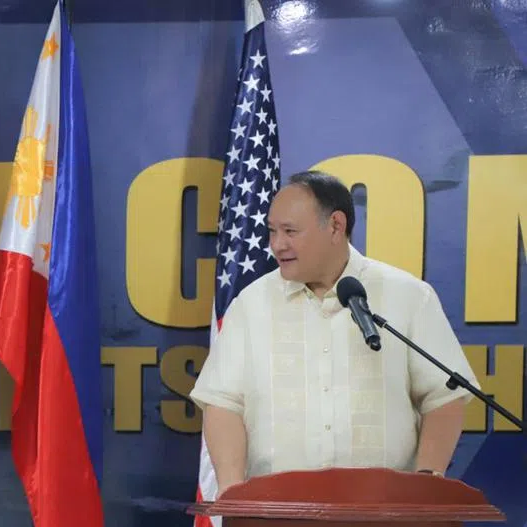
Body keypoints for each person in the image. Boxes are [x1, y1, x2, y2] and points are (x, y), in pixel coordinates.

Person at [190, 170, 477, 492]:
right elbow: (223, 402)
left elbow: (444, 395)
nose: (276, 245)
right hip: (275, 514)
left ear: (335, 226)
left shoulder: (408, 296)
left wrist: (427, 486)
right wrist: (233, 493)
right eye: (272, 231)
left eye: (290, 231)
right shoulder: (252, 304)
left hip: (387, 512)